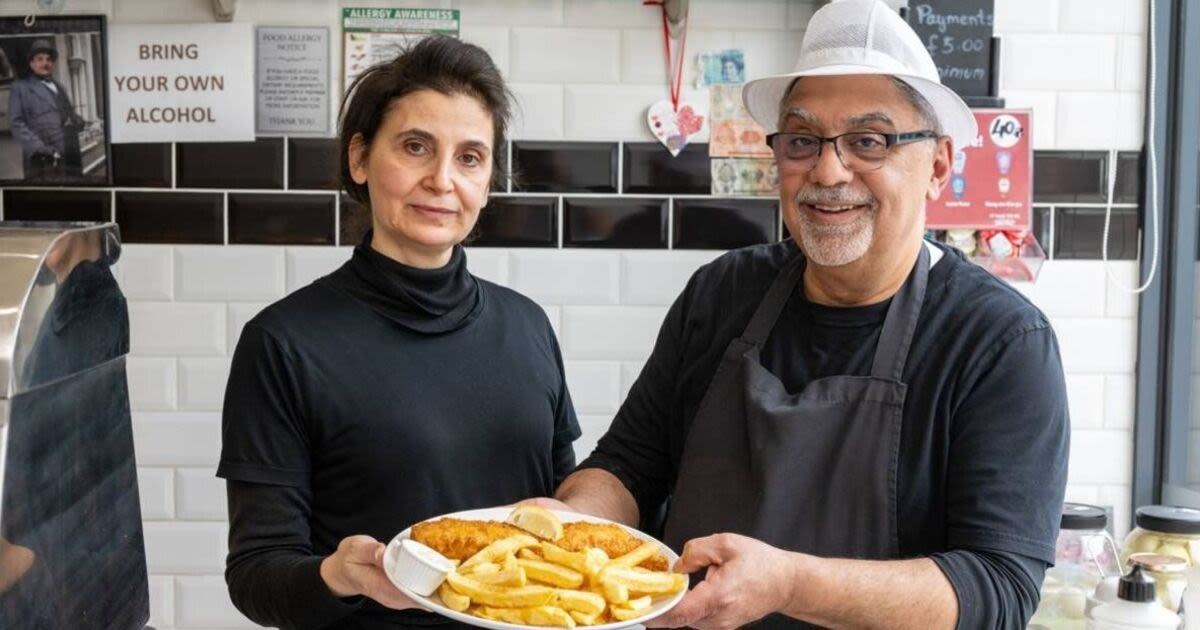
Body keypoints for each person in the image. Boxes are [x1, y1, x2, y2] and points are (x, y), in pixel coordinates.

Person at [545, 1, 1069, 628]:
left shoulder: (998, 341)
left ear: (937, 165)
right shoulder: (722, 292)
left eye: (868, 142)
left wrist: (790, 583)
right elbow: (629, 465)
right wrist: (565, 527)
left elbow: (998, 589)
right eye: (802, 140)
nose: (827, 170)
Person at [217, 35, 580, 630]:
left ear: (487, 181)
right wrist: (340, 576)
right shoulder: (284, 343)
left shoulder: (527, 325)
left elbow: (562, 507)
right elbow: (256, 574)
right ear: (360, 159)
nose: (442, 179)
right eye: (416, 147)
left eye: (470, 157)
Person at [7, 39, 85, 180]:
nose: (45, 63)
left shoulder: (60, 86)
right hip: (44, 160)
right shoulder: (20, 88)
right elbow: (16, 124)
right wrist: (41, 149)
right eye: (40, 59)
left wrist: (78, 121)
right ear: (31, 63)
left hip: (71, 155)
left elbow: (67, 113)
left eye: (49, 59)